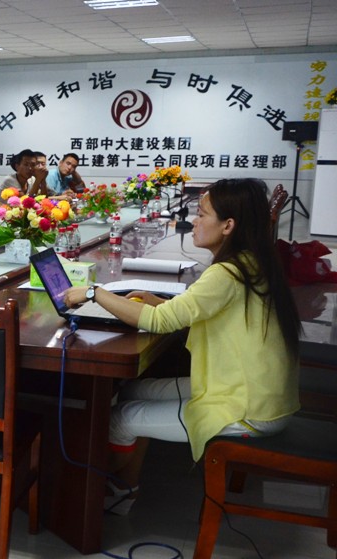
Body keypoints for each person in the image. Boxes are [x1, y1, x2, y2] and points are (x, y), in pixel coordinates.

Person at [62, 178, 300, 515]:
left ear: (228, 225)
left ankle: (113, 488)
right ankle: (123, 484)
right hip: (246, 385)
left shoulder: (227, 273)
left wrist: (94, 293)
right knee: (133, 390)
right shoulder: (251, 262)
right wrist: (159, 302)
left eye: (202, 214)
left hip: (248, 407)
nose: (194, 221)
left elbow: (159, 322)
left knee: (121, 418)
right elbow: (196, 311)